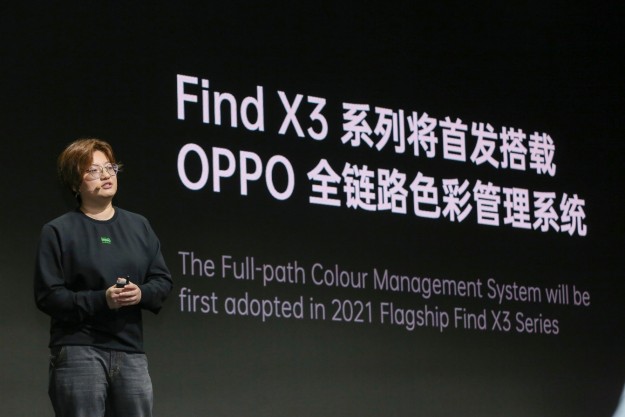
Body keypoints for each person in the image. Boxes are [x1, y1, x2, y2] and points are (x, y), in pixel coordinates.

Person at [34, 138, 173, 417]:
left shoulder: (139, 226)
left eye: (110, 167)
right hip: (78, 350)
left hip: (130, 352)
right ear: (75, 183)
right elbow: (48, 296)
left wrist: (141, 293)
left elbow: (162, 280)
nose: (106, 175)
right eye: (93, 170)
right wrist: (103, 299)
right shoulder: (58, 231)